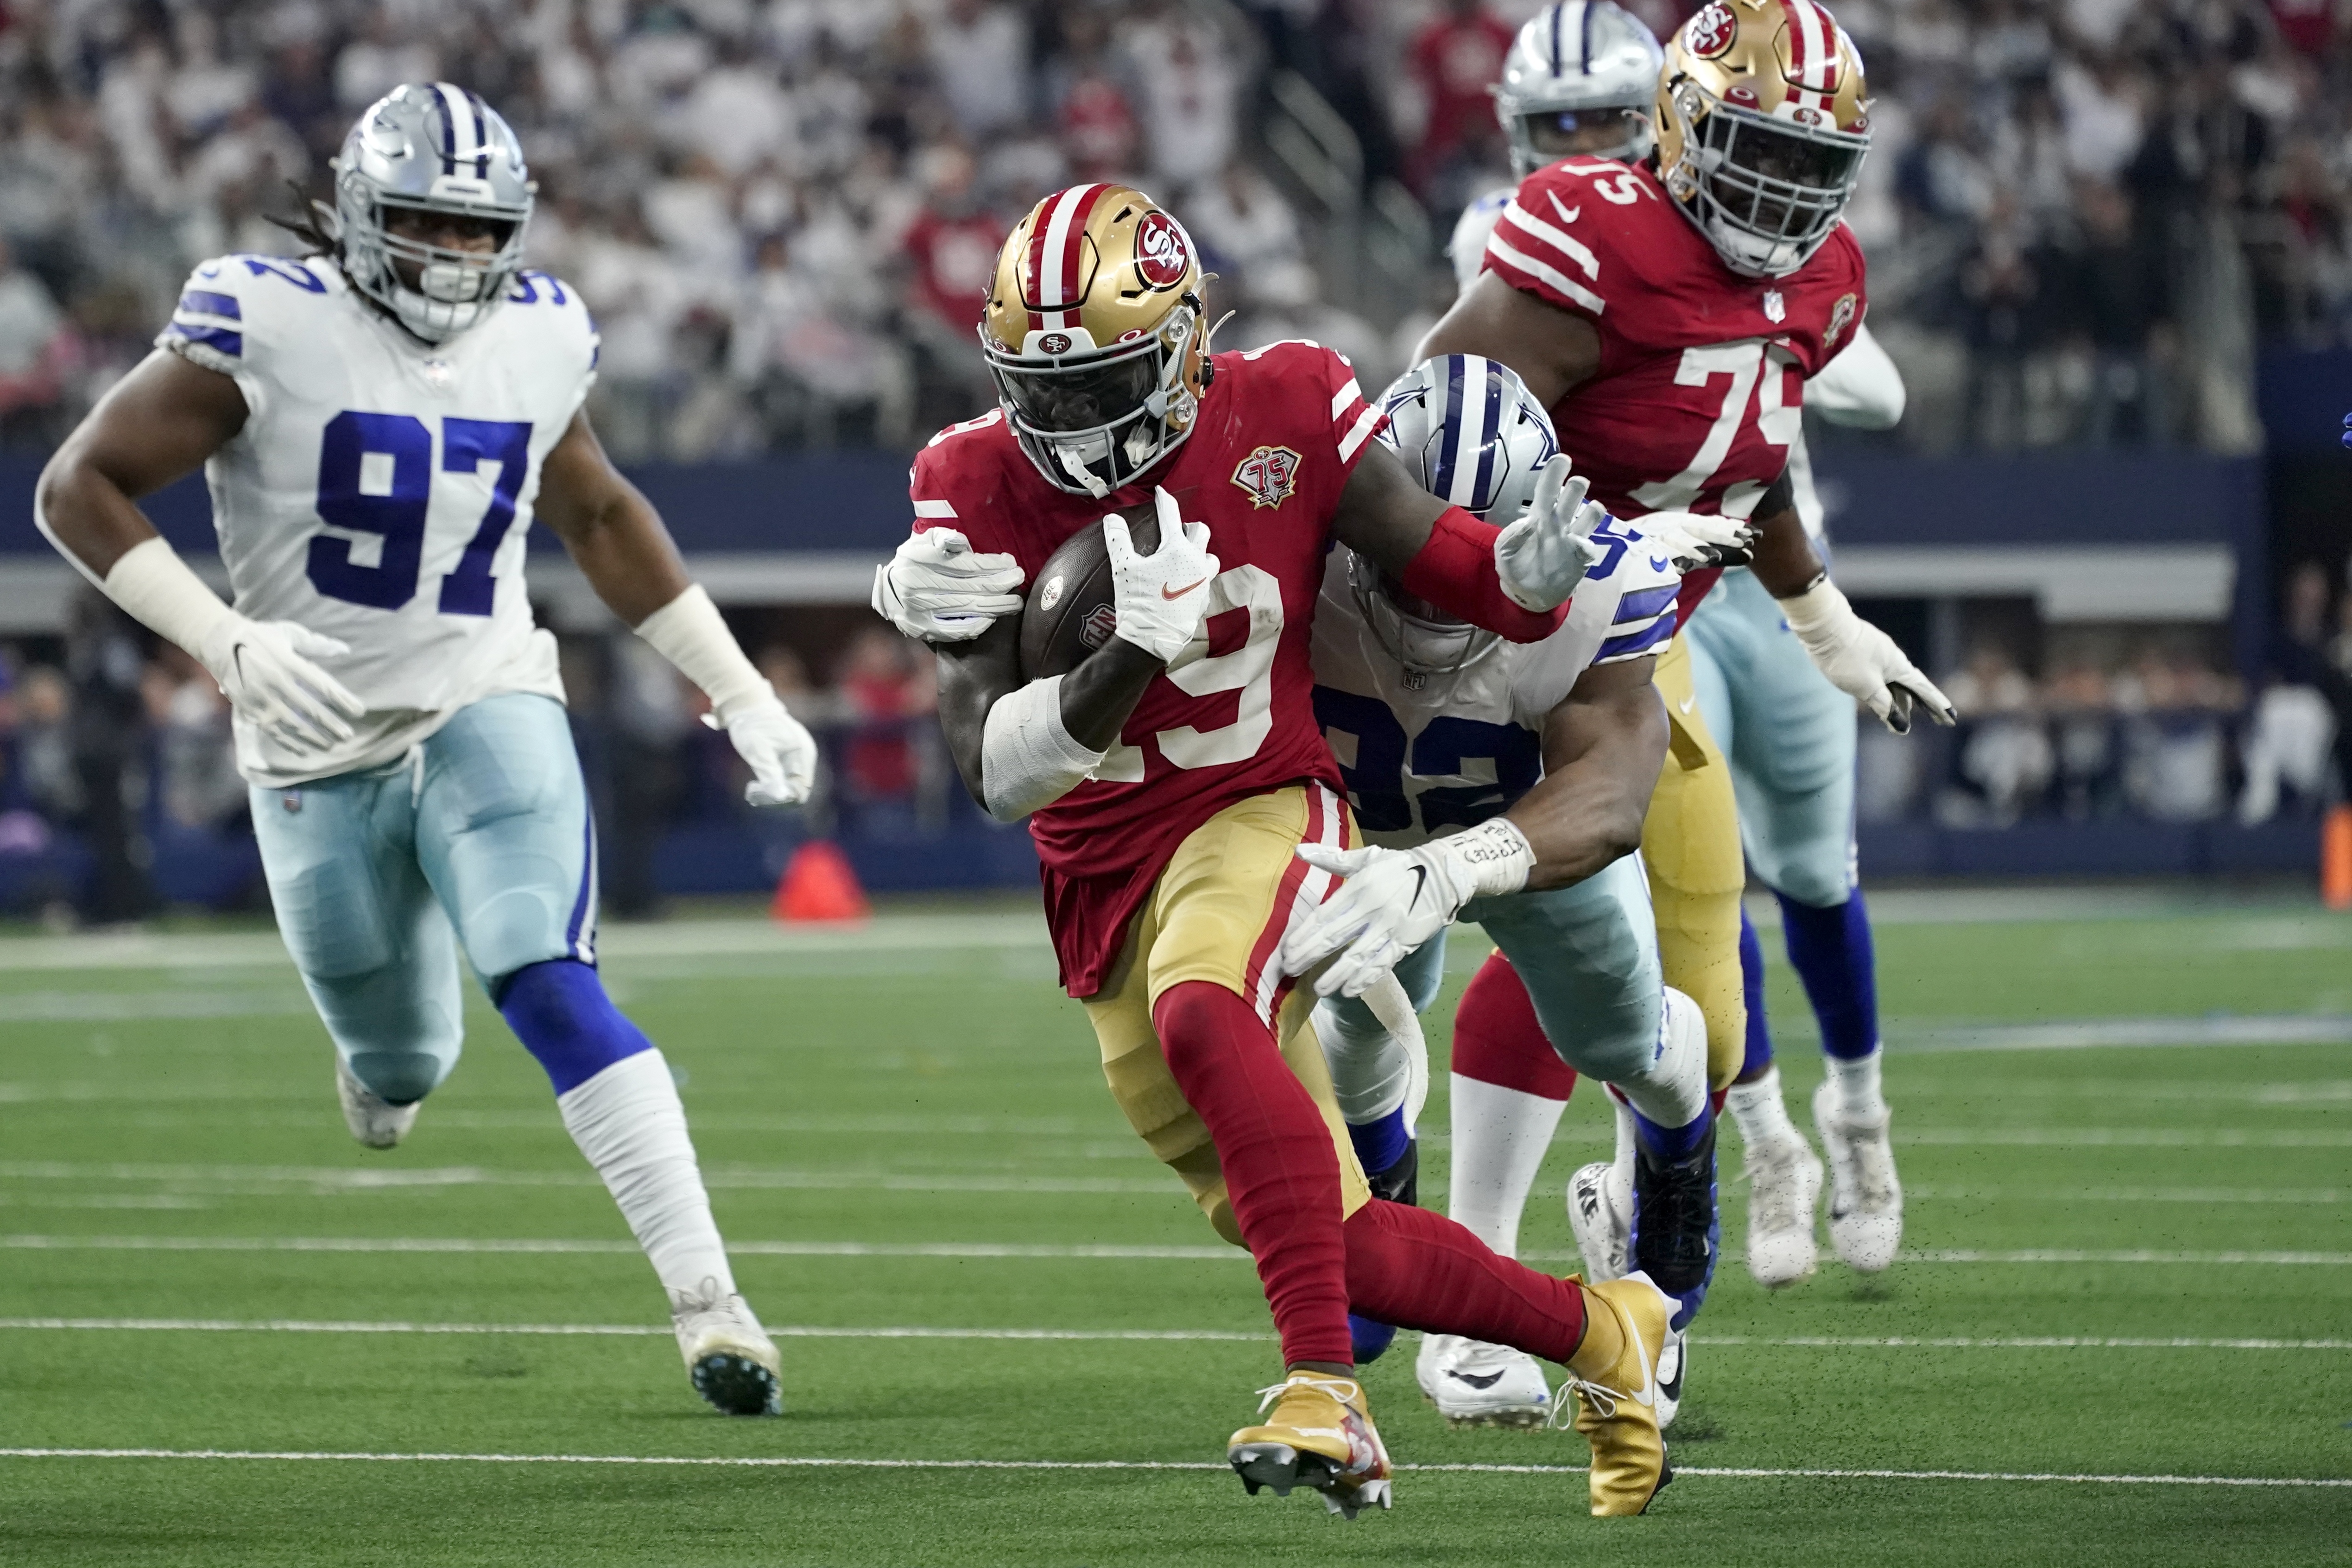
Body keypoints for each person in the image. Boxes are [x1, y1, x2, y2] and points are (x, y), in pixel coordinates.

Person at [871, 182, 1743, 1518]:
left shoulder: (1287, 399)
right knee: (1332, 1241)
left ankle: (1323, 1394)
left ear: (1177, 344)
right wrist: (1123, 660)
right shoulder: (967, 478)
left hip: (1261, 810)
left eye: (1100, 381)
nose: (1068, 424)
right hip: (1100, 873)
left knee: (1206, 1017)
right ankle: (1602, 1332)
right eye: (1038, 394)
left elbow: (1438, 559)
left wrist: (1524, 577)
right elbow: (996, 776)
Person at [34, 84, 817, 1419]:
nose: (454, 260)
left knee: (549, 978)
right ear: (356, 213)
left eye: (477, 233)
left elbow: (603, 512)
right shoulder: (262, 316)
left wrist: (736, 688)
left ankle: (710, 1302)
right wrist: (222, 641)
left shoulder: (541, 330)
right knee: (400, 1062)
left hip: (485, 695)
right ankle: (382, 1061)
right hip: (306, 736)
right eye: (421, 226)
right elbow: (76, 487)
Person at [1414, 0, 1953, 1397]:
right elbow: (1433, 432)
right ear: (1680, 127)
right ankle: (1455, 1302)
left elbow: (1751, 452)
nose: (1777, 193)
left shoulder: (1822, 276)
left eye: (1803, 161)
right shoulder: (1586, 233)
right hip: (1489, 631)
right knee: (1458, 964)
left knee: (1695, 1012)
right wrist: (1549, 555)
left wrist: (1821, 616)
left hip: (1635, 648)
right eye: (1751, 151)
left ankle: (1634, 1309)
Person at [1286, 354, 1727, 1431]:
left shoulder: (1603, 579)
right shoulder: (1300, 551)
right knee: (1352, 1020)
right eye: (1417, 558)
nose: (1439, 593)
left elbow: (1613, 799)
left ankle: (1675, 1164)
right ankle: (1381, 1191)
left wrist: (1455, 869)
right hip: (1364, 838)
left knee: (1628, 1041)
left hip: (1526, 838)